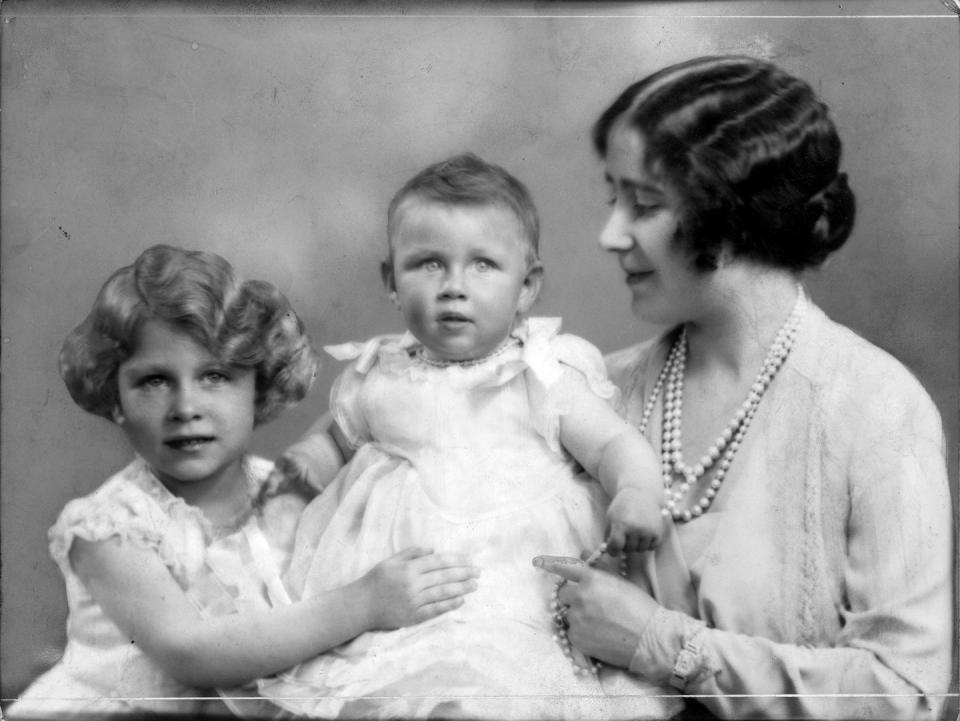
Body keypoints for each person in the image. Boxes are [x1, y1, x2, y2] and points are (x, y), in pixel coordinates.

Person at [534, 55, 953, 720]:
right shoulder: (596, 392)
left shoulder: (876, 406)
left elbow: (905, 691)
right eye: (612, 199)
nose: (609, 234)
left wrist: (658, 642)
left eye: (642, 203)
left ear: (730, 217)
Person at [256, 153, 681, 719]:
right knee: (388, 688)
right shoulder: (380, 370)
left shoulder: (542, 371)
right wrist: (307, 460)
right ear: (391, 281)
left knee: (489, 683)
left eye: (483, 265)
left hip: (511, 582)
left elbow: (612, 445)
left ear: (527, 286)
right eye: (428, 264)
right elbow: (339, 437)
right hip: (395, 582)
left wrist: (635, 492)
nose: (454, 287)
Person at [8, 245, 479, 720]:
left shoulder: (284, 491)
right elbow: (191, 652)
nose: (185, 406)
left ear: (260, 387)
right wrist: (362, 603)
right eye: (154, 381)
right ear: (115, 399)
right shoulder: (110, 527)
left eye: (214, 376)